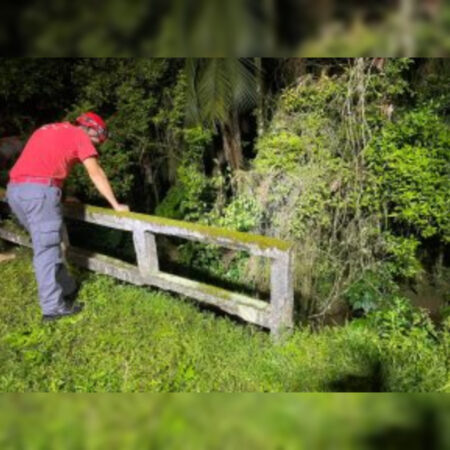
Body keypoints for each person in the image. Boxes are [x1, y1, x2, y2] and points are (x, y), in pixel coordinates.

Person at [5, 112, 129, 321]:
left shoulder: (47, 129)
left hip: (15, 191)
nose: (95, 145)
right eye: (96, 140)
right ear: (90, 128)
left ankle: (67, 286)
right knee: (47, 250)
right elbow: (95, 173)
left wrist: (60, 197)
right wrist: (116, 205)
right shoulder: (79, 136)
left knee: (46, 244)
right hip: (39, 193)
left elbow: (51, 164)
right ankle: (53, 308)